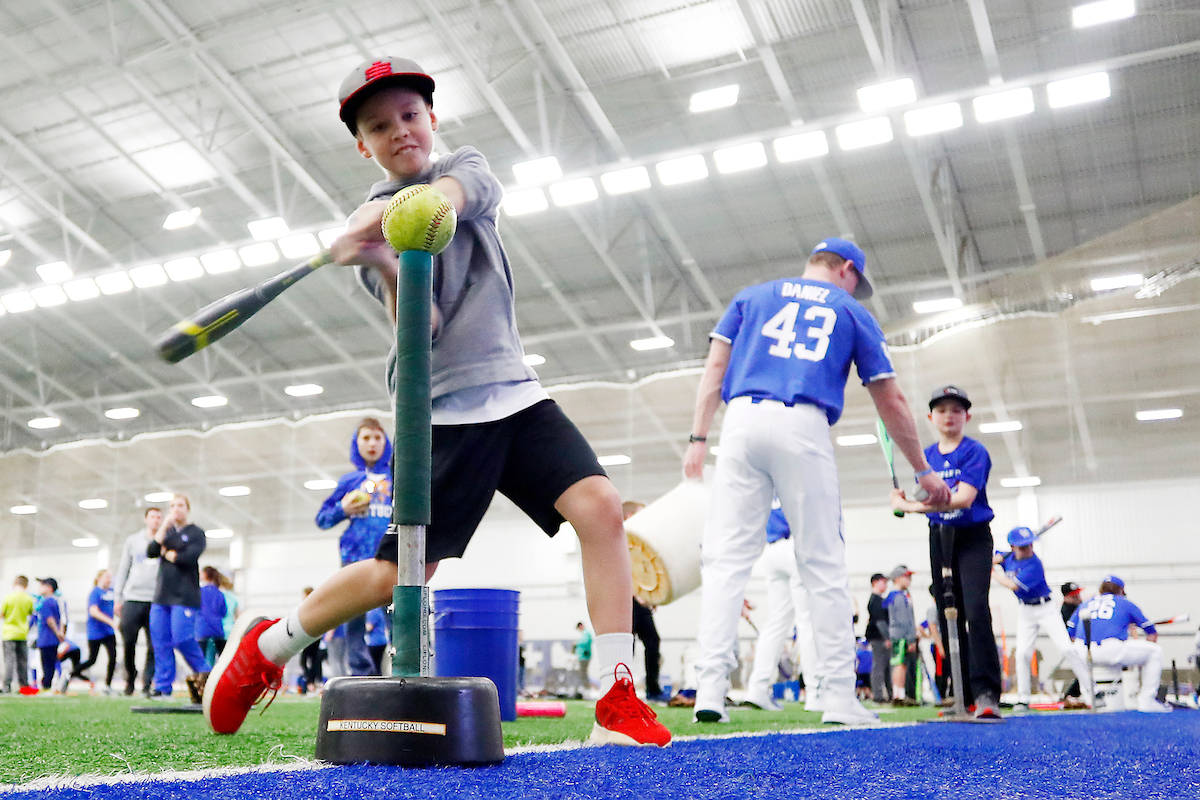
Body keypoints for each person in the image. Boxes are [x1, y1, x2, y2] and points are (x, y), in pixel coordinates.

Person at [203, 56, 669, 748]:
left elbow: (455, 196)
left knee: (599, 508)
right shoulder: (372, 230)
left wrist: (389, 214)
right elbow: (424, 330)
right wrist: (378, 258)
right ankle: (268, 646)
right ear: (363, 145)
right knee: (399, 577)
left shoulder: (464, 169)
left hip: (516, 393)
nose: (400, 132)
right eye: (380, 126)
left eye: (410, 116)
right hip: (443, 411)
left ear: (432, 119)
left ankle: (616, 696)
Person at [683, 237, 951, 725]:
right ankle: (836, 696)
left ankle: (709, 690)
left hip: (740, 422)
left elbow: (715, 370)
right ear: (847, 269)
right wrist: (922, 470)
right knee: (822, 563)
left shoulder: (752, 296)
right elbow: (890, 400)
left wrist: (698, 438)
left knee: (725, 560)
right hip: (802, 424)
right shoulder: (850, 311)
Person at [891, 385, 1003, 719]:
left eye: (956, 410)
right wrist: (905, 500)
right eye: (942, 410)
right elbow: (924, 499)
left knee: (975, 610)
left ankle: (986, 694)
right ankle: (961, 695)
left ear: (967, 416)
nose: (949, 416)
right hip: (940, 536)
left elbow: (964, 498)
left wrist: (908, 507)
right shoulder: (924, 458)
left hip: (972, 536)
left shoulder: (975, 452)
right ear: (930, 417)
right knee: (946, 613)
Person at [315, 418, 394, 676]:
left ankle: (405, 671)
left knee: (397, 616)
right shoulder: (349, 481)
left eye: (377, 438)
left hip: (391, 557)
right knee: (353, 619)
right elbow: (322, 519)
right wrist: (344, 509)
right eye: (366, 438)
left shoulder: (398, 478)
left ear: (387, 442)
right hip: (354, 558)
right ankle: (361, 673)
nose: (372, 444)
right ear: (356, 443)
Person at [992, 527, 1092, 711]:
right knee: (1022, 654)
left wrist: (992, 571)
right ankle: (1023, 699)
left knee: (1066, 649)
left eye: (1029, 544)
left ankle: (1091, 691)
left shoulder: (1034, 564)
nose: (1027, 549)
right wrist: (996, 560)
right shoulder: (1008, 557)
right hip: (1025, 611)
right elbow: (995, 556)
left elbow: (1013, 585)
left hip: (1046, 608)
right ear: (1013, 547)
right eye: (1022, 546)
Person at [743, 506, 821, 713]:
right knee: (806, 621)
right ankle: (814, 692)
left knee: (777, 622)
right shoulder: (795, 477)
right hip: (794, 545)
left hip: (770, 549)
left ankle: (757, 688)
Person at [1067, 576, 1170, 713]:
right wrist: (1138, 662)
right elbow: (1151, 632)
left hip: (1082, 651)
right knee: (1155, 651)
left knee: (1078, 651)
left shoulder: (1086, 603)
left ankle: (1090, 697)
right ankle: (1147, 701)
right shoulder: (1124, 603)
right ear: (1121, 590)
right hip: (1111, 648)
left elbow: (1070, 634)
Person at [147, 494, 210, 698]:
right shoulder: (167, 533)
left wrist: (168, 554)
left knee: (182, 639)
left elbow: (187, 557)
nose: (176, 509)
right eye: (172, 506)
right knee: (161, 642)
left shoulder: (196, 533)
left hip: (185, 596)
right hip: (161, 597)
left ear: (187, 508)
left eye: (180, 505)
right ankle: (163, 686)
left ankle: (207, 677)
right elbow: (151, 550)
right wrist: (164, 525)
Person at [113, 507, 163, 696]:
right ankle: (130, 681)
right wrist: (118, 598)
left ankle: (147, 683)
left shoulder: (165, 540)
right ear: (146, 519)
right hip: (132, 599)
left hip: (156, 601)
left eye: (159, 517)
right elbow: (124, 568)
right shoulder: (133, 541)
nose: (156, 520)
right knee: (129, 643)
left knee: (154, 645)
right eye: (152, 517)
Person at [624, 500, 665, 702]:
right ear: (630, 516)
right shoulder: (621, 538)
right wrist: (637, 594)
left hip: (639, 600)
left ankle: (653, 689)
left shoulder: (639, 542)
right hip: (625, 600)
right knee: (626, 644)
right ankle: (623, 690)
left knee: (652, 641)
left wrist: (649, 595)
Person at [71, 570, 118, 694]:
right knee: (92, 659)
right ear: (99, 578)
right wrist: (110, 621)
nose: (109, 580)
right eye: (107, 577)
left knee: (113, 657)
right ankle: (71, 673)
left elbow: (116, 608)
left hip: (109, 632)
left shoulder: (112, 593)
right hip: (95, 631)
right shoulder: (95, 593)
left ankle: (108, 685)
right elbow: (93, 611)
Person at [885, 566, 919, 706]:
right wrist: (911, 638)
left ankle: (899, 693)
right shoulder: (898, 596)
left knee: (901, 664)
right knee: (900, 664)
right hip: (901, 635)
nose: (909, 580)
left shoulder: (896, 596)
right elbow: (905, 619)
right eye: (906, 577)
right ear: (898, 578)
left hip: (898, 634)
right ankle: (898, 694)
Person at [2, 576, 35, 694]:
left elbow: (2, 614)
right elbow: (31, 613)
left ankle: (7, 685)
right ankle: (24, 685)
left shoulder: (9, 597)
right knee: (22, 661)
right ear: (26, 585)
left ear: (15, 583)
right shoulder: (28, 598)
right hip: (22, 633)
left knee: (9, 660)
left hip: (9, 633)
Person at [33, 578, 65, 692]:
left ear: (49, 588)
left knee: (46, 664)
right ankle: (47, 684)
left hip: (46, 638)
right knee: (51, 663)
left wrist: (57, 632)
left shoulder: (46, 602)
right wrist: (61, 633)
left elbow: (50, 619)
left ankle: (46, 685)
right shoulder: (58, 601)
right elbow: (63, 618)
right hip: (53, 640)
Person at [864, 573, 891, 703]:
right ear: (875, 583)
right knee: (879, 666)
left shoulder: (879, 600)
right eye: (883, 582)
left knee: (883, 666)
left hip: (879, 636)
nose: (885, 585)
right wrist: (886, 637)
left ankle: (885, 693)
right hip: (878, 637)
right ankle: (878, 695)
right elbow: (880, 621)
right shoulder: (876, 601)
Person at [197, 567, 229, 663]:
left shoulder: (200, 592)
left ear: (205, 575)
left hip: (202, 628)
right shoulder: (219, 593)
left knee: (200, 657)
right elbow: (224, 612)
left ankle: (201, 676)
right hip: (217, 628)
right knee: (223, 657)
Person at [297, 587, 322, 695]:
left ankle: (310, 682)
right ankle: (313, 682)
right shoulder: (317, 605)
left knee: (305, 660)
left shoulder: (309, 606)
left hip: (310, 636)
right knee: (313, 660)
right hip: (316, 635)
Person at [364, 605, 389, 675]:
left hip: (374, 642)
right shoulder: (380, 610)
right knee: (378, 666)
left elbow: (369, 627)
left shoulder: (373, 611)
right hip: (382, 640)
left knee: (374, 666)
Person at [574, 622, 594, 696]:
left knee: (584, 673)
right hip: (582, 656)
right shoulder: (585, 633)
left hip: (584, 656)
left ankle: (586, 689)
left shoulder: (586, 633)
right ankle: (585, 688)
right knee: (583, 673)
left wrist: (576, 643)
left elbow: (584, 642)